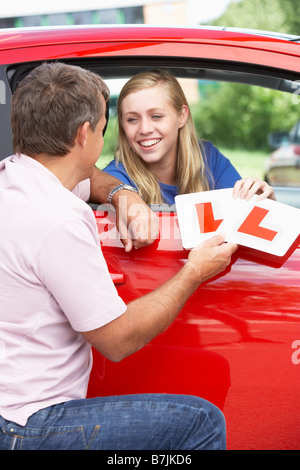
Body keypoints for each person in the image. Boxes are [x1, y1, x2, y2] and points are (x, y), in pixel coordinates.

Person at [0, 62, 238, 450]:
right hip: (26, 426)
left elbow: (91, 177)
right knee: (201, 422)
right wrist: (193, 271)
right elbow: (117, 340)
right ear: (84, 135)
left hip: (10, 407)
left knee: (213, 369)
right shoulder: (56, 220)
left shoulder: (18, 178)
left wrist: (121, 194)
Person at [104, 69, 276, 205]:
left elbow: (245, 221)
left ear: (182, 116)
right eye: (132, 119)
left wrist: (264, 203)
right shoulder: (115, 179)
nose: (145, 129)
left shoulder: (208, 158)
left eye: (156, 116)